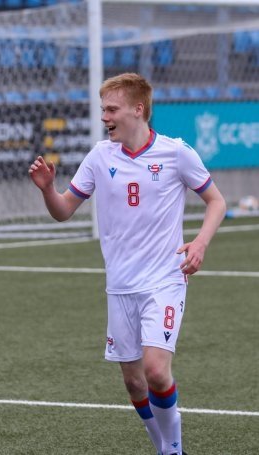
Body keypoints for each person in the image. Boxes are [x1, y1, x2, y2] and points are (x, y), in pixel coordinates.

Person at [29, 73, 226, 455]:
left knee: (155, 371)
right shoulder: (100, 156)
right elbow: (63, 211)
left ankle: (173, 450)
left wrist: (200, 243)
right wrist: (48, 191)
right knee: (135, 384)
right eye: (104, 109)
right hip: (120, 286)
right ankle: (165, 448)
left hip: (164, 280)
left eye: (112, 109)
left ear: (138, 110)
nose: (105, 116)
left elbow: (216, 201)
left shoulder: (176, 153)